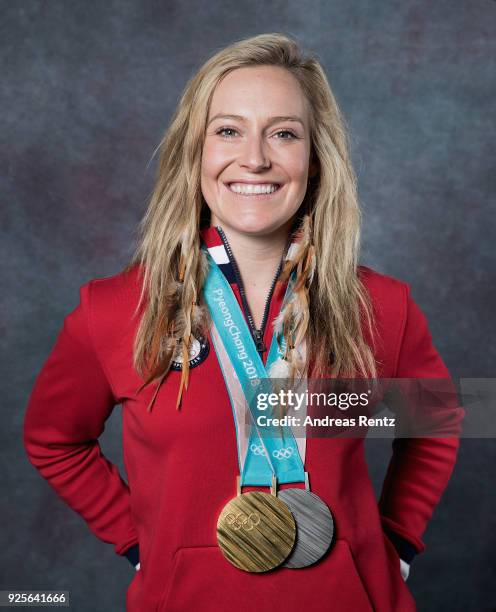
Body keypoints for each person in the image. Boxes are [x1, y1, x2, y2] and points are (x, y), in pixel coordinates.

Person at [23, 33, 463, 612]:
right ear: (195, 152)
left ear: (315, 157)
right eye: (228, 130)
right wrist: (142, 543)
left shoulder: (381, 304)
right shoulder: (113, 309)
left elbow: (442, 419)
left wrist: (397, 544)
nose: (254, 158)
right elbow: (53, 440)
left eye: (284, 133)